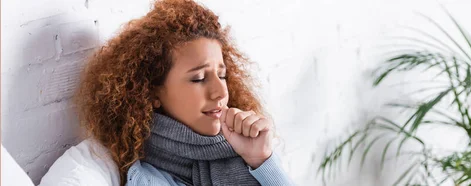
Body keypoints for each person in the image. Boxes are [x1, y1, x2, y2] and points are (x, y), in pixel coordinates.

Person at [39, 0, 293, 185]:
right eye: (199, 78)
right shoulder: (146, 177)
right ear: (151, 92)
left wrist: (261, 160)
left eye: (222, 75)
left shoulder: (251, 158)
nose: (220, 92)